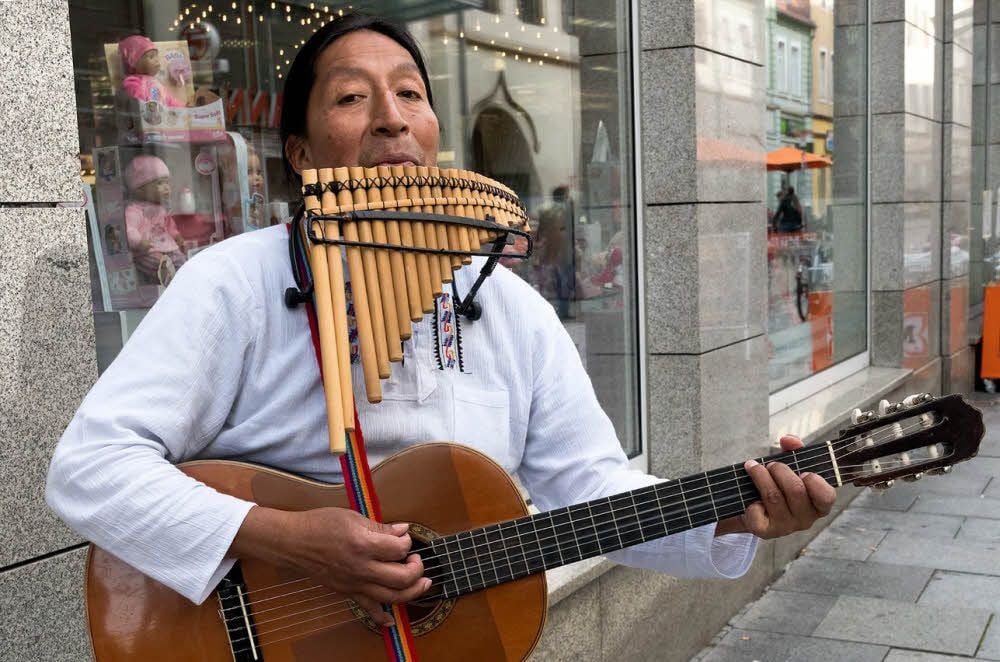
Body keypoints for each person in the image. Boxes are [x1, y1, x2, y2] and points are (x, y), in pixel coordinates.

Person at [47, 14, 835, 629]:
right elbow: (89, 469)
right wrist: (286, 540)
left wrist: (734, 512)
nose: (392, 120)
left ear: (433, 136)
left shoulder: (512, 306)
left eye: (412, 95)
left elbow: (589, 485)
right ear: (301, 152)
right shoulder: (232, 283)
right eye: (353, 98)